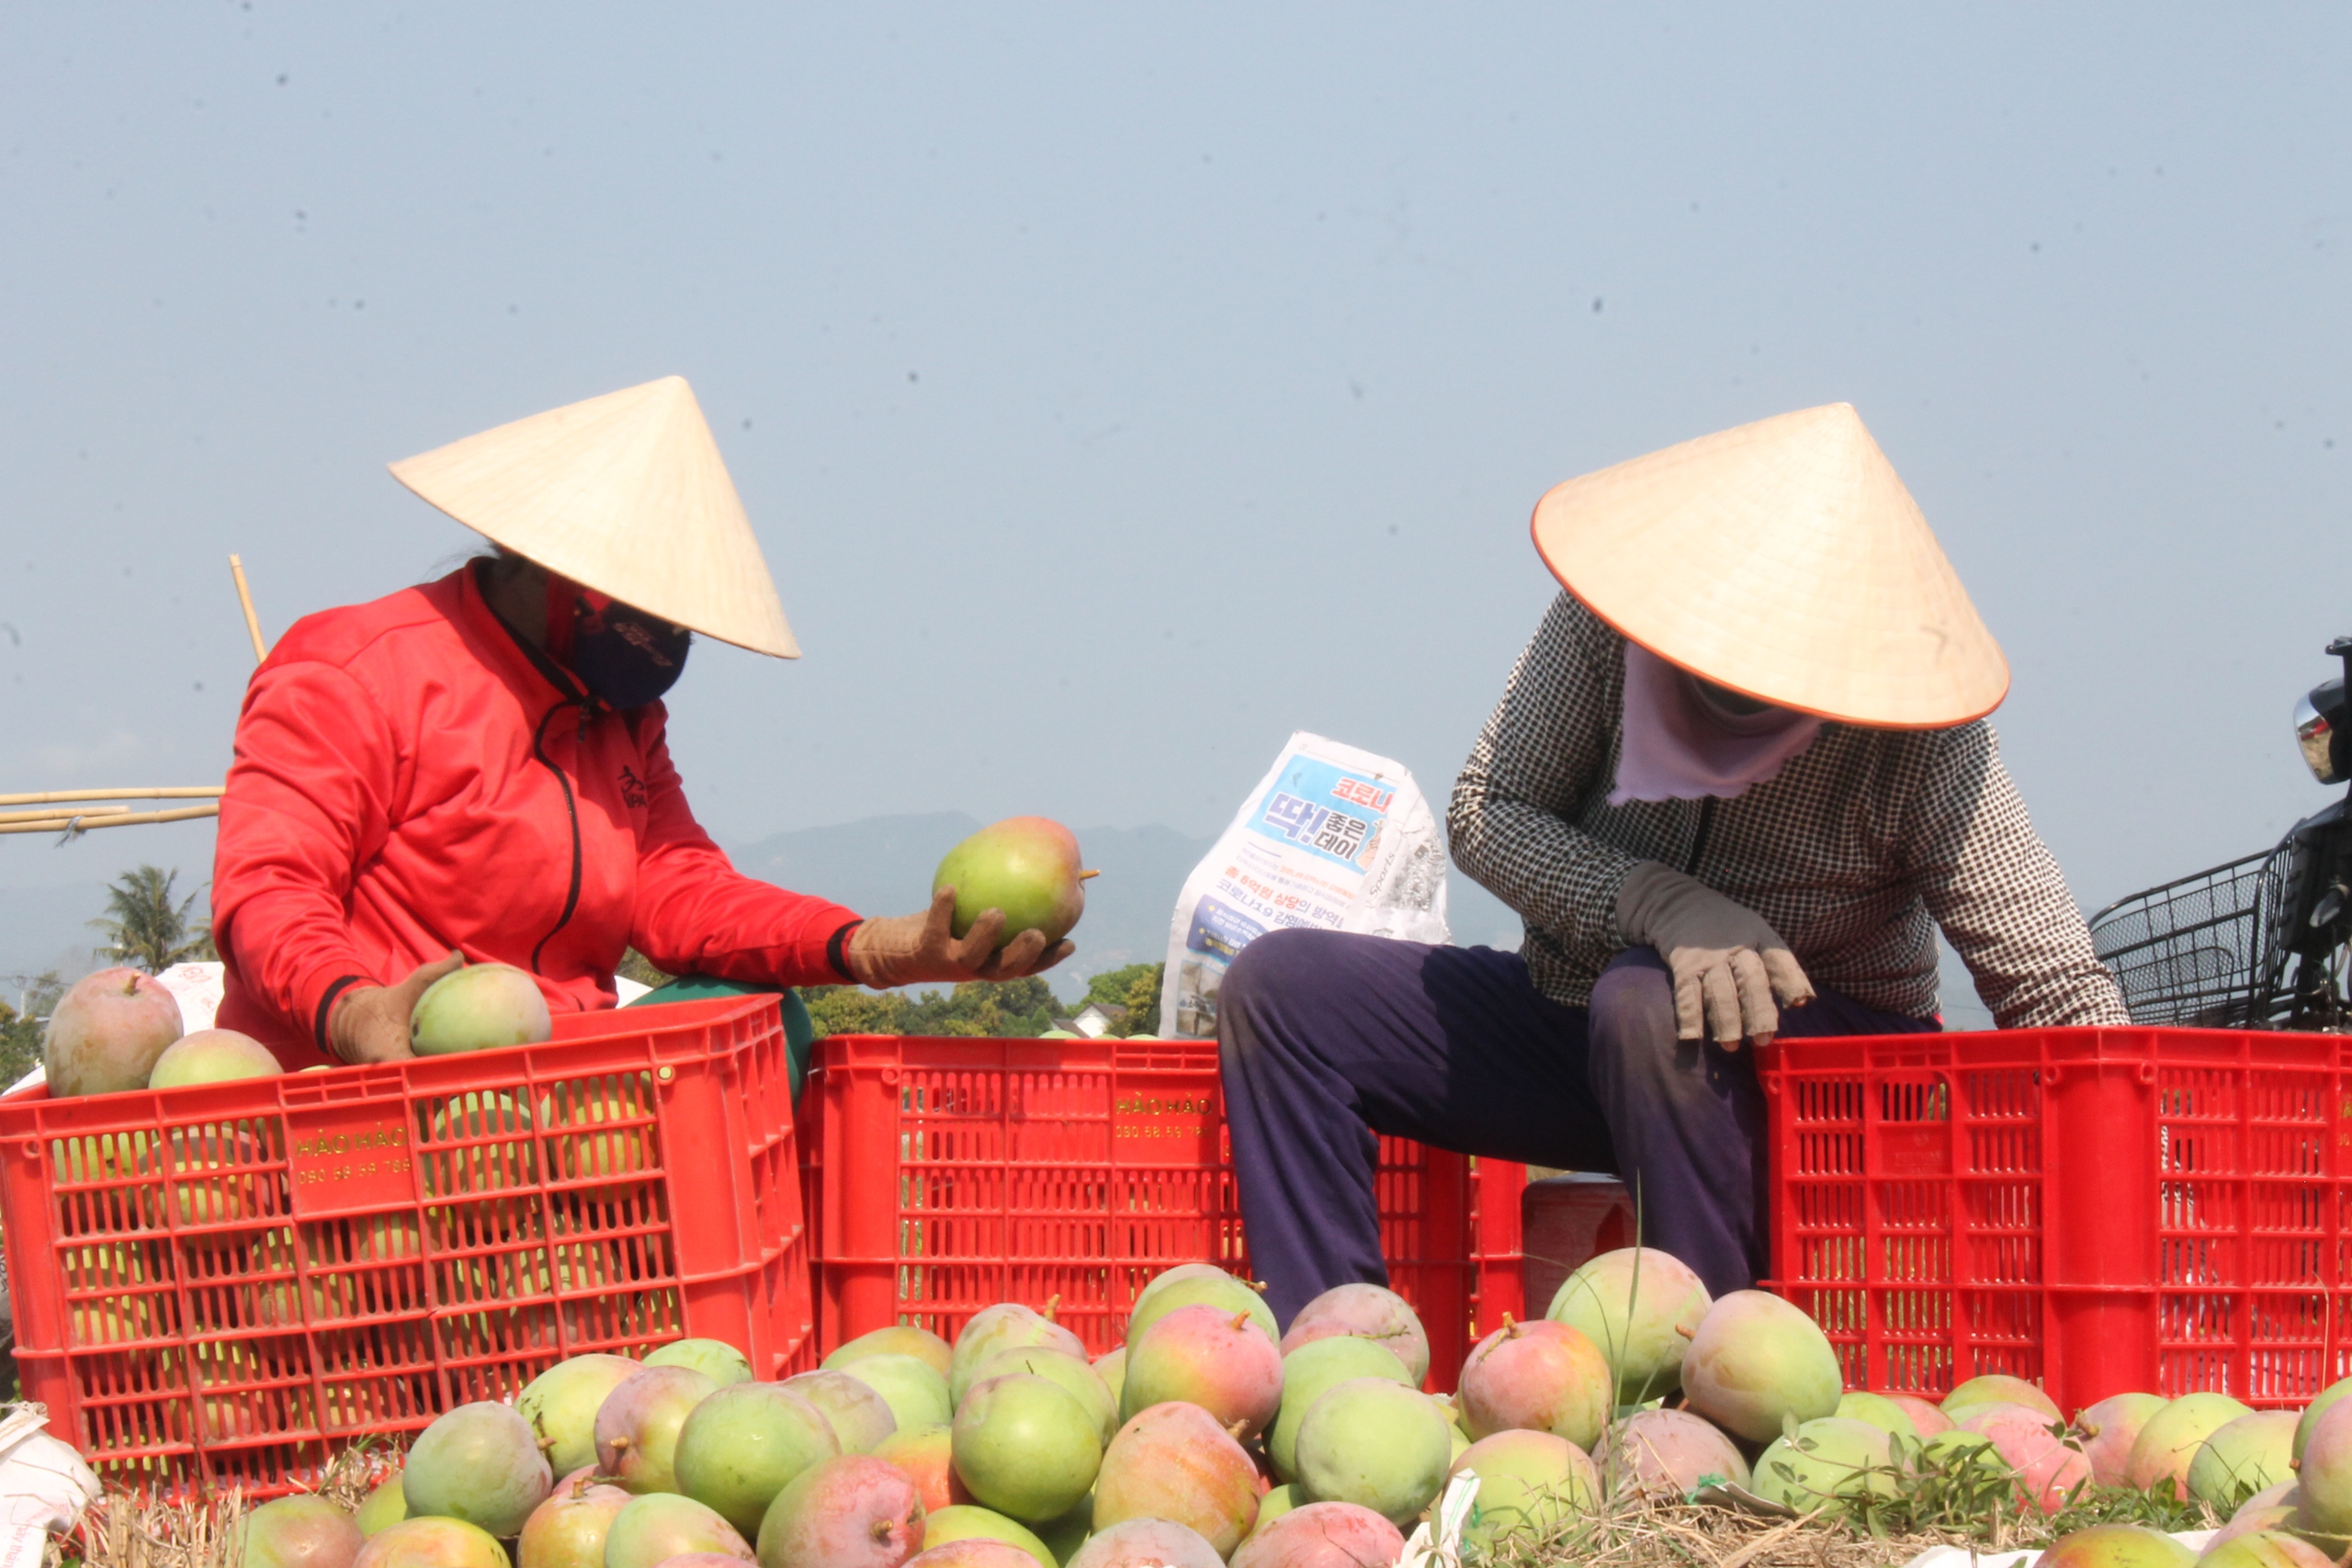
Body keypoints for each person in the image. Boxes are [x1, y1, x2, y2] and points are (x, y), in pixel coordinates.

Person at [1216, 403, 2130, 1322]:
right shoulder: (1601, 631)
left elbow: (2049, 980)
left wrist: (2158, 1191)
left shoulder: (1921, 743)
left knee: (1648, 1001)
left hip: (1817, 1093)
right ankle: (1337, 1346)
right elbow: (1489, 812)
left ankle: (1717, 1370)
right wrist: (1656, 901)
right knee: (1282, 989)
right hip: (1581, 1026)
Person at [212, 376, 1069, 1075]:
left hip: (550, 1098)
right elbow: (270, 891)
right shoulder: (354, 672)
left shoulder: (621, 718)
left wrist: (884, 947)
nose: (667, 641)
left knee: (760, 1024)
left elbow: (681, 891)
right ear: (554, 569)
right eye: (647, 610)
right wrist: (353, 1009)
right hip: (361, 1091)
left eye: (681, 621)